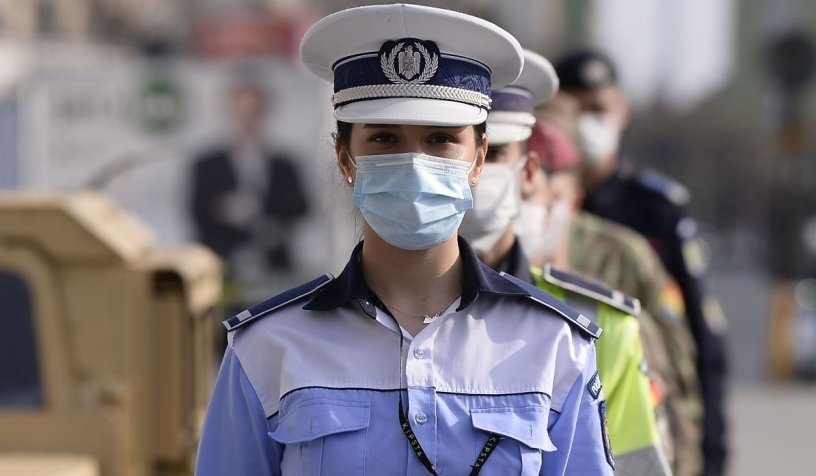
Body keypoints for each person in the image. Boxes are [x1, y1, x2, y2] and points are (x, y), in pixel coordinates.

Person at [195, 5, 613, 475]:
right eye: (385, 139)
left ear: (478, 158)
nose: (414, 163)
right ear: (344, 157)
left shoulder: (554, 345)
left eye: (440, 139)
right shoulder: (267, 346)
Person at [458, 49, 670, 475]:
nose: (475, 172)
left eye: (494, 154)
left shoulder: (599, 327)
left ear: (529, 172)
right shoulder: (362, 317)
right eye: (450, 147)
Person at [555, 49, 728, 476]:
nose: (587, 123)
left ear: (622, 110)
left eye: (598, 109)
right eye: (575, 109)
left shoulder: (656, 210)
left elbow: (698, 339)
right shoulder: (536, 212)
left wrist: (711, 454)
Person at [523, 118, 703, 475]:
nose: (535, 210)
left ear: (573, 200)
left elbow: (675, 383)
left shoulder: (613, 295)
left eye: (549, 197)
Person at [189, 79, 310, 277]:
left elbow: (301, 206)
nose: (247, 120)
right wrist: (225, 213)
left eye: (254, 113)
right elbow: (198, 213)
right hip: (222, 265)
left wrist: (268, 222)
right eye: (242, 113)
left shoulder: (284, 164)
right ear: (230, 113)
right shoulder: (207, 165)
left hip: (275, 265)